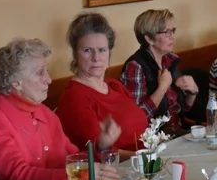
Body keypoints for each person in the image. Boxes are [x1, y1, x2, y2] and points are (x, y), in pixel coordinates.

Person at [0, 38, 122, 180]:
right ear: (16, 82)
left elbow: (74, 159)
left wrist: (100, 146)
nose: (49, 79)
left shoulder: (44, 112)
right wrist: (77, 174)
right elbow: (15, 177)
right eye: (40, 72)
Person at [58, 13, 149, 160]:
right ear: (75, 54)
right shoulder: (75, 97)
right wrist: (143, 158)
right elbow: (95, 154)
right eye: (87, 50)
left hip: (145, 160)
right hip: (118, 170)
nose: (96, 58)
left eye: (102, 50)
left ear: (109, 53)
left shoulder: (114, 85)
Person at [120, 9, 199, 133]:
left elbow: (182, 109)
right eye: (167, 32)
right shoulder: (135, 66)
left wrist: (192, 93)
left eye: (173, 30)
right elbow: (136, 118)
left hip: (177, 131)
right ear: (149, 39)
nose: (172, 36)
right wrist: (162, 87)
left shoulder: (169, 60)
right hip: (153, 140)